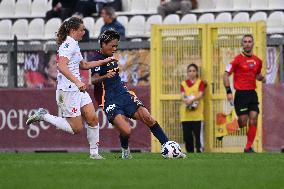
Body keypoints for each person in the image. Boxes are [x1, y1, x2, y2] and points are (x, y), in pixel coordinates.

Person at [26, 17, 116, 159]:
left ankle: (94, 154)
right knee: (77, 128)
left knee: (93, 118)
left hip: (78, 89)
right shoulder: (68, 45)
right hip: (67, 91)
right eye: (82, 29)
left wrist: (105, 61)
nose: (84, 32)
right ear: (74, 30)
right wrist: (77, 82)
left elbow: (84, 65)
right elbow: (61, 66)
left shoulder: (74, 44)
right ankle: (44, 115)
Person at [91, 29, 186, 159]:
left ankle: (169, 147)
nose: (115, 48)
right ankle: (125, 151)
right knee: (126, 130)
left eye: (116, 46)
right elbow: (93, 80)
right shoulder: (96, 59)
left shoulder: (111, 58)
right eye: (112, 45)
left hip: (124, 94)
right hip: (108, 99)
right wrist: (105, 76)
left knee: (148, 118)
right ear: (103, 43)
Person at [223, 34, 266, 153]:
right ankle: (229, 126)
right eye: (245, 41)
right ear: (242, 44)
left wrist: (262, 78)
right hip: (241, 95)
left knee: (254, 118)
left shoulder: (258, 61)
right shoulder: (236, 60)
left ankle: (248, 147)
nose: (247, 43)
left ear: (253, 43)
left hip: (252, 93)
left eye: (249, 41)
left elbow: (256, 74)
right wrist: (228, 92)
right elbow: (225, 75)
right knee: (243, 122)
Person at [180, 64, 206, 153]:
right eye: (190, 71)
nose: (192, 73)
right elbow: (182, 96)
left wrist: (192, 100)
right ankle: (190, 153)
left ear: (197, 72)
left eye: (194, 71)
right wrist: (185, 100)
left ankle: (200, 152)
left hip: (197, 116)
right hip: (185, 116)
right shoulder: (183, 83)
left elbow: (200, 94)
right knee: (187, 137)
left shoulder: (200, 82)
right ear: (187, 73)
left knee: (198, 136)